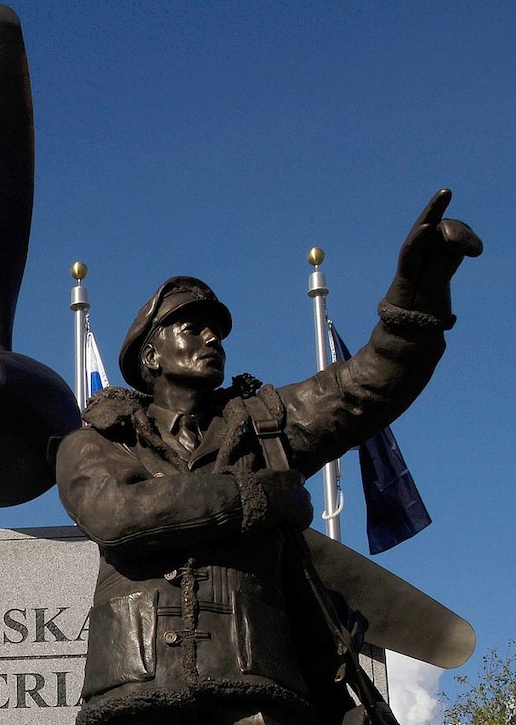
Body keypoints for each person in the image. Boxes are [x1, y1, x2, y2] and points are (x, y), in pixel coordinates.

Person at [55, 190, 481, 725]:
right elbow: (118, 515)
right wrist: (253, 495)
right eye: (192, 327)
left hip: (262, 704)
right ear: (151, 354)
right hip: (134, 704)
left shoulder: (264, 425)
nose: (212, 337)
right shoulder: (97, 441)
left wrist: (416, 299)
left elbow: (366, 386)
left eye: (216, 330)